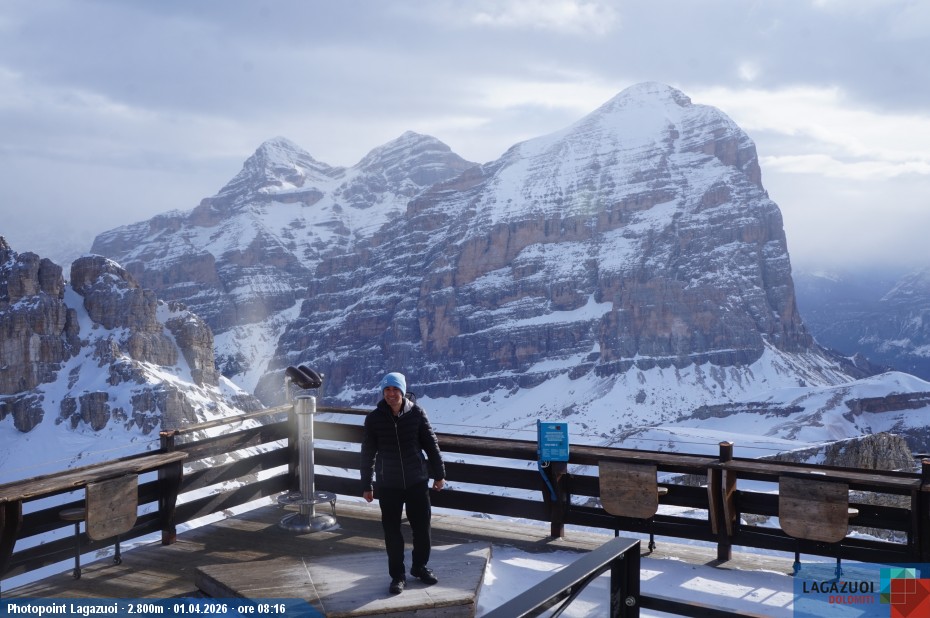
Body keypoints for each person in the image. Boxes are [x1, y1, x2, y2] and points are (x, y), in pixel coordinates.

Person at [360, 372, 447, 595]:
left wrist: (439, 475)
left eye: (395, 389)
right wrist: (367, 485)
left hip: (417, 481)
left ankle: (420, 567)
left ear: (403, 391)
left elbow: (431, 445)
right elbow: (368, 453)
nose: (391, 394)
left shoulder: (417, 413)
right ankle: (397, 576)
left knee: (422, 529)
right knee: (392, 532)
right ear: (383, 392)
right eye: (387, 390)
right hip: (389, 484)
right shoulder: (374, 419)